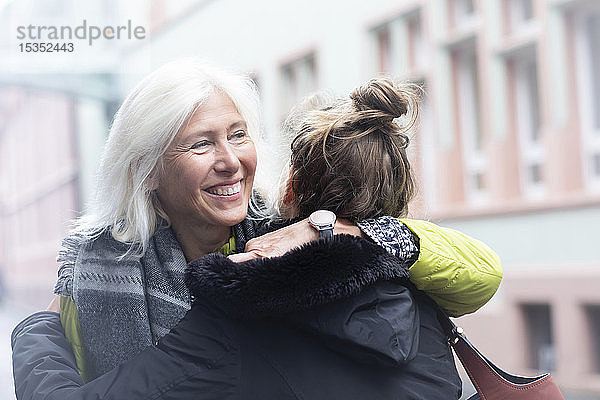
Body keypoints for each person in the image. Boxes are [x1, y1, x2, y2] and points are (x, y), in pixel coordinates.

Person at [11, 61, 501, 399]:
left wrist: (343, 232)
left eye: (238, 134)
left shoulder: (301, 230)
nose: (231, 162)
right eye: (201, 145)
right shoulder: (93, 274)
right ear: (148, 170)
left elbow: (481, 274)